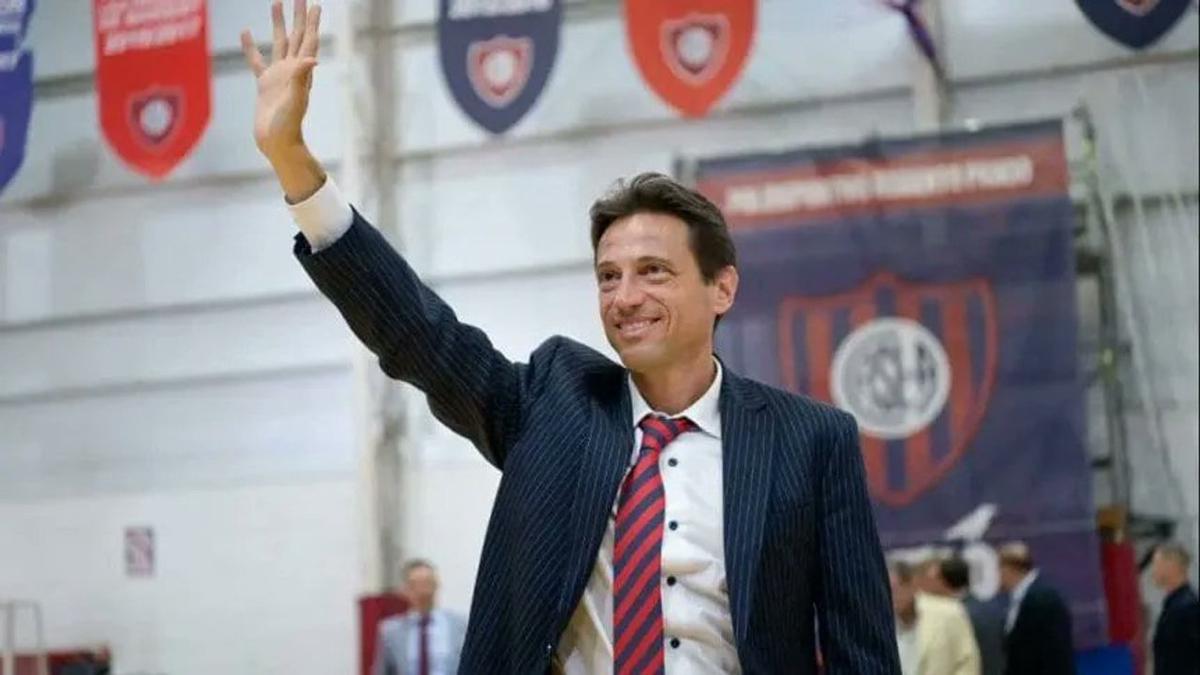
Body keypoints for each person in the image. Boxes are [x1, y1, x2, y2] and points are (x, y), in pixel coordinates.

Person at [239, 2, 900, 672]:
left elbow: (863, 654)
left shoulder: (809, 442)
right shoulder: (553, 402)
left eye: (653, 271)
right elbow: (419, 334)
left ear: (721, 287)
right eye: (609, 276)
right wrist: (292, 159)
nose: (625, 296)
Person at [374, 560, 467, 675]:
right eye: (416, 584)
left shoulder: (460, 625)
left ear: (437, 585)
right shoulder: (391, 631)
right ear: (405, 589)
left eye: (427, 583)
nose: (423, 590)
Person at [890, 560, 981, 675]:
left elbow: (968, 663)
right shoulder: (882, 626)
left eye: (894, 590)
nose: (890, 597)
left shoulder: (949, 612)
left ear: (911, 586)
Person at [997, 542, 1074, 675]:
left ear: (1009, 569)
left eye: (998, 569)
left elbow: (1055, 654)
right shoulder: (1023, 597)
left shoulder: (1043, 600)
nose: (997, 576)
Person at [927, 557, 1007, 675]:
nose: (927, 587)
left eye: (930, 580)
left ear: (942, 582)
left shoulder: (955, 618)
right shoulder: (989, 611)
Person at [1149, 541, 1200, 675]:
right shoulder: (1174, 605)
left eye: (1156, 564)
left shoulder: (1188, 608)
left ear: (1171, 566)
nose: (1153, 570)